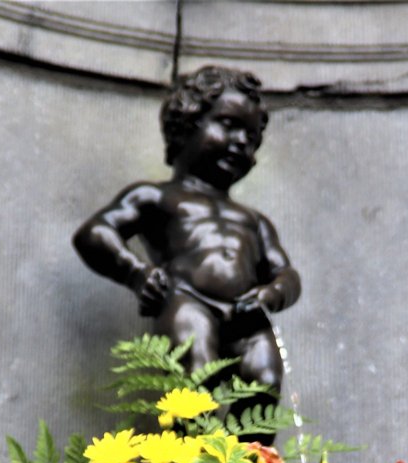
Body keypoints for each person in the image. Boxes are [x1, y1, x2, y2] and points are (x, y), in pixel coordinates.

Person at [73, 65, 301, 398]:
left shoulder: (254, 220)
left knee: (264, 384)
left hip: (247, 314)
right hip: (187, 300)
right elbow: (95, 232)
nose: (241, 142)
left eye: (251, 138)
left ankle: (251, 436)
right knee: (195, 379)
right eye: (229, 125)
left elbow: (286, 274)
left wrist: (272, 294)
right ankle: (192, 435)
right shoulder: (157, 197)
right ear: (185, 127)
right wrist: (136, 273)